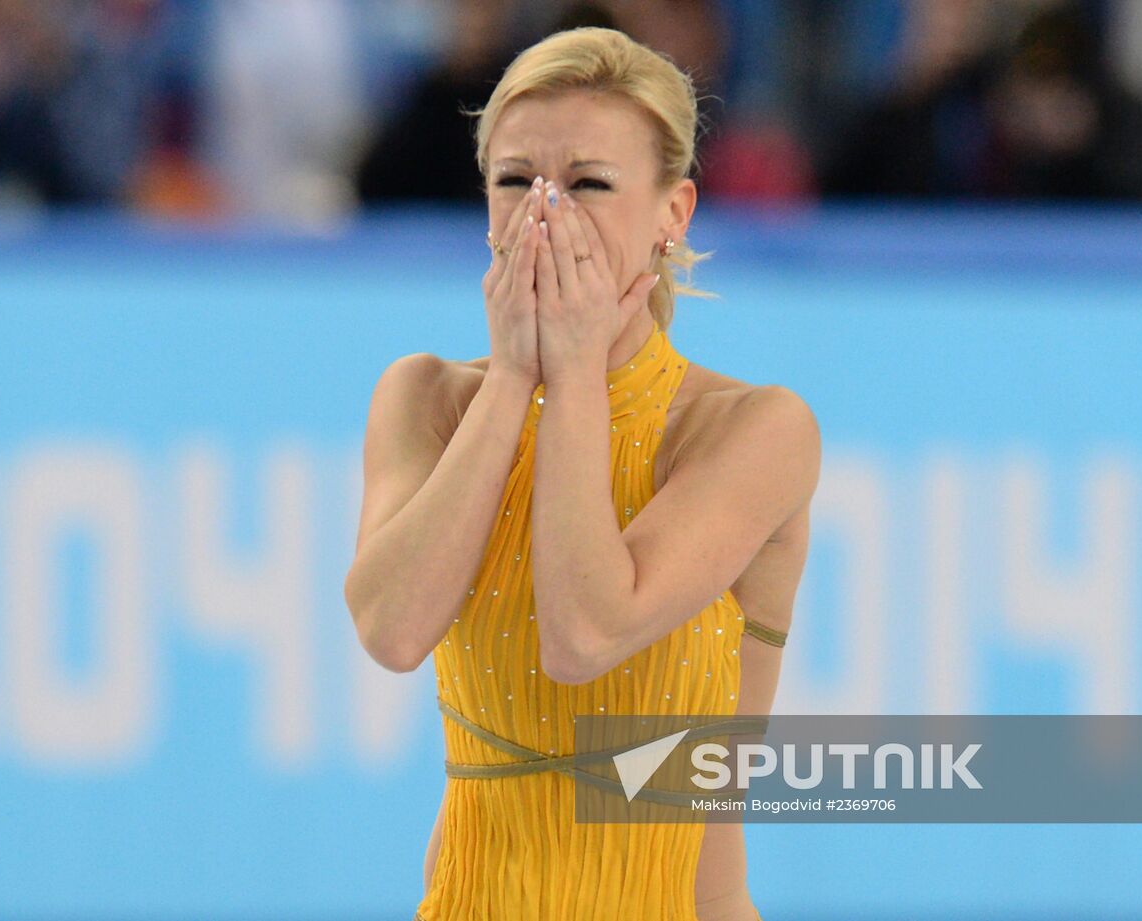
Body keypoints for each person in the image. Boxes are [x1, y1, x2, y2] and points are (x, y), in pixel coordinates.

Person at [343, 27, 821, 921]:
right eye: (516, 181)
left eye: (590, 184)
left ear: (673, 215)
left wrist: (568, 378)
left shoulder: (753, 430)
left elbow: (586, 633)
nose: (546, 215)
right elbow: (391, 628)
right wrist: (517, 377)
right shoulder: (427, 398)